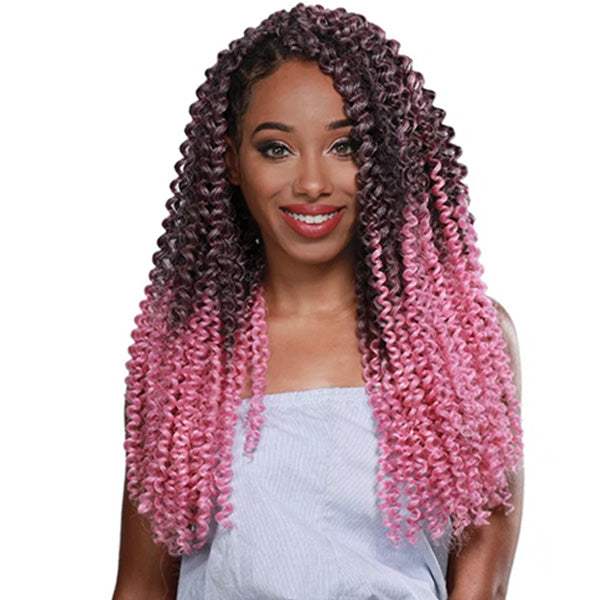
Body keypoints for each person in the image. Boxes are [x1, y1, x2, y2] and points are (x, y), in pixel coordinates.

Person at [113, 4, 524, 599]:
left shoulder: (455, 336)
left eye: (345, 146)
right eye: (276, 148)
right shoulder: (187, 355)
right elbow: (140, 584)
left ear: (385, 158)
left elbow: (484, 569)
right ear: (230, 161)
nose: (311, 183)